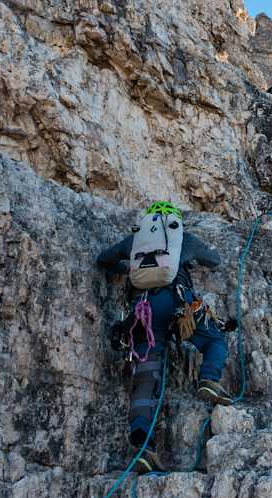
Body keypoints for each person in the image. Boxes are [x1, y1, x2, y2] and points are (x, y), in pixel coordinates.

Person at [97, 201, 232, 473]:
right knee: (215, 338)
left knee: (145, 377)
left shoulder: (135, 241)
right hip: (179, 303)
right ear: (175, 221)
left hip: (144, 312)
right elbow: (214, 260)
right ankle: (208, 378)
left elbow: (104, 260)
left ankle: (143, 448)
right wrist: (188, 260)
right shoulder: (183, 238)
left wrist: (130, 270)